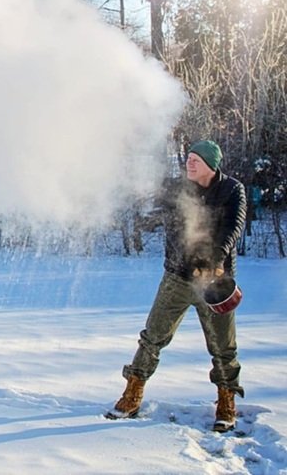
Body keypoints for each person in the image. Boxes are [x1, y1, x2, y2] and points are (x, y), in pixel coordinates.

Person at [109, 139, 247, 432]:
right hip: (178, 277)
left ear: (212, 164)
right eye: (189, 159)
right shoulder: (177, 190)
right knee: (153, 336)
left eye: (196, 160)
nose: (190, 163)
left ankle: (226, 401)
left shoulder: (231, 189)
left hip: (216, 282)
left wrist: (215, 259)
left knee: (223, 346)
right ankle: (133, 393)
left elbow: (233, 227)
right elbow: (172, 228)